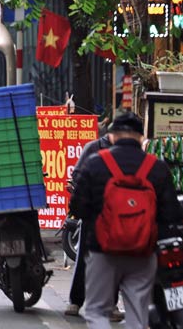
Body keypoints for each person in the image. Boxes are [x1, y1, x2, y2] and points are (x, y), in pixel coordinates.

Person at [70, 111, 181, 329]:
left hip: (102, 251)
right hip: (143, 252)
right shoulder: (157, 167)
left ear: (111, 137)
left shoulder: (95, 164)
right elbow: (172, 213)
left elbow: (77, 208)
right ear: (141, 138)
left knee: (96, 311)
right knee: (137, 315)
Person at [65, 124, 121, 320]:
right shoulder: (92, 148)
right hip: (93, 215)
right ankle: (75, 301)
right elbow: (77, 176)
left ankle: (110, 306)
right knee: (84, 259)